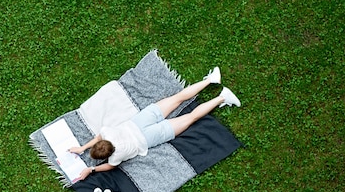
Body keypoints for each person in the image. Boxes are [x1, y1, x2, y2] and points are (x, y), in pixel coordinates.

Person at [69, 67, 240, 181]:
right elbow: (98, 136)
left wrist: (91, 170)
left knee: (191, 118)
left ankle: (223, 97)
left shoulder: (115, 157)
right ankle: (211, 80)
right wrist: (82, 147)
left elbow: (109, 167)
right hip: (140, 120)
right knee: (177, 98)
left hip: (149, 138)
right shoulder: (107, 133)